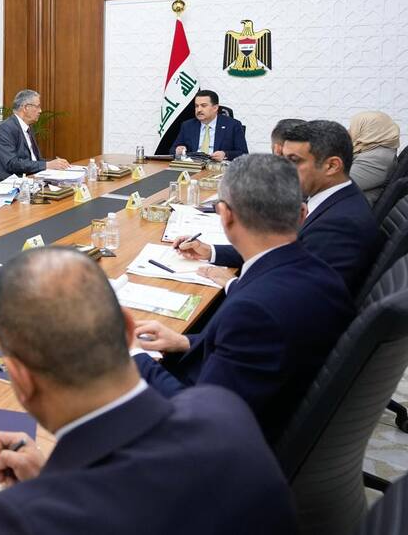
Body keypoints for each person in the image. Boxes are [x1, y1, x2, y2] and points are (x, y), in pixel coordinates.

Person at [0, 247, 297, 534]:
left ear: (19, 377)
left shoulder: (26, 518)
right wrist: (54, 478)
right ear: (129, 329)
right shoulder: (222, 408)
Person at [135, 154, 354, 442]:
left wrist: (134, 357)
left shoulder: (254, 310)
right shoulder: (321, 274)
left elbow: (202, 423)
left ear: (225, 215)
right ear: (302, 214)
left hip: (217, 442)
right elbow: (248, 349)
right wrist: (186, 342)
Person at [179, 120, 381, 294]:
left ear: (332, 166)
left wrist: (232, 283)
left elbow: (300, 297)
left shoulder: (340, 224)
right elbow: (278, 251)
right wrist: (211, 251)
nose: (282, 168)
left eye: (293, 160)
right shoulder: (334, 200)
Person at [0, 90, 69, 180]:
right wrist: (46, 165)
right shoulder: (6, 129)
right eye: (37, 106)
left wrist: (56, 163)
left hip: (28, 177)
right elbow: (12, 163)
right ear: (26, 107)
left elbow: (34, 160)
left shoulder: (27, 127)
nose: (40, 111)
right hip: (8, 181)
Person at [170, 89, 248, 161]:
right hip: (193, 166)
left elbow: (244, 154)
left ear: (215, 108)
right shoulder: (188, 125)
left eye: (203, 106)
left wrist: (225, 154)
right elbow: (172, 150)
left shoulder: (233, 125)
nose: (199, 110)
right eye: (196, 106)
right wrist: (178, 150)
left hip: (217, 166)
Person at [348, 110, 400, 206]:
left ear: (370, 131)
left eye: (353, 128)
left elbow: (336, 186)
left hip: (349, 208)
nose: (349, 131)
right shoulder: (370, 149)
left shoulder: (378, 158)